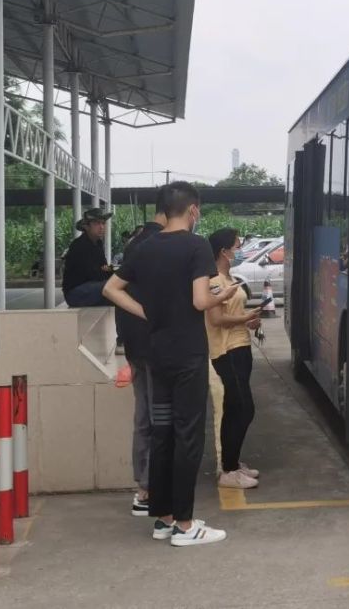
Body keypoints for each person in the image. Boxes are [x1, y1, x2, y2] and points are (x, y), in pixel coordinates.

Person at [103, 181, 235, 547]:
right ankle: (186, 524)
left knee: (161, 432)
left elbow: (111, 289)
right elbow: (198, 301)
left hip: (156, 352)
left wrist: (145, 311)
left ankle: (162, 518)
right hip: (187, 355)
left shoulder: (144, 247)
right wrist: (221, 294)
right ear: (193, 211)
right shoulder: (195, 246)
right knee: (188, 436)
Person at [116, 194, 168, 517]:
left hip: (136, 345)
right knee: (155, 416)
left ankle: (145, 486)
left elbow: (117, 290)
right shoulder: (156, 246)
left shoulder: (137, 242)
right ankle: (148, 488)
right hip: (152, 345)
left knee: (144, 415)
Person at [206, 228, 262, 490]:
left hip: (241, 346)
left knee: (238, 406)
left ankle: (233, 462)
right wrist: (244, 318)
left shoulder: (230, 277)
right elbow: (216, 319)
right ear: (223, 251)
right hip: (226, 351)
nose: (240, 250)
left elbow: (235, 312)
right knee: (242, 407)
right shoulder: (214, 280)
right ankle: (227, 469)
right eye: (237, 246)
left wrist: (250, 321)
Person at [63, 208, 114, 307]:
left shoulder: (98, 243)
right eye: (97, 224)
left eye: (103, 223)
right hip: (75, 293)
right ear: (86, 226)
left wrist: (111, 270)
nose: (101, 227)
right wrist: (108, 271)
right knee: (113, 286)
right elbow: (94, 273)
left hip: (92, 287)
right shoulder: (79, 245)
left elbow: (104, 268)